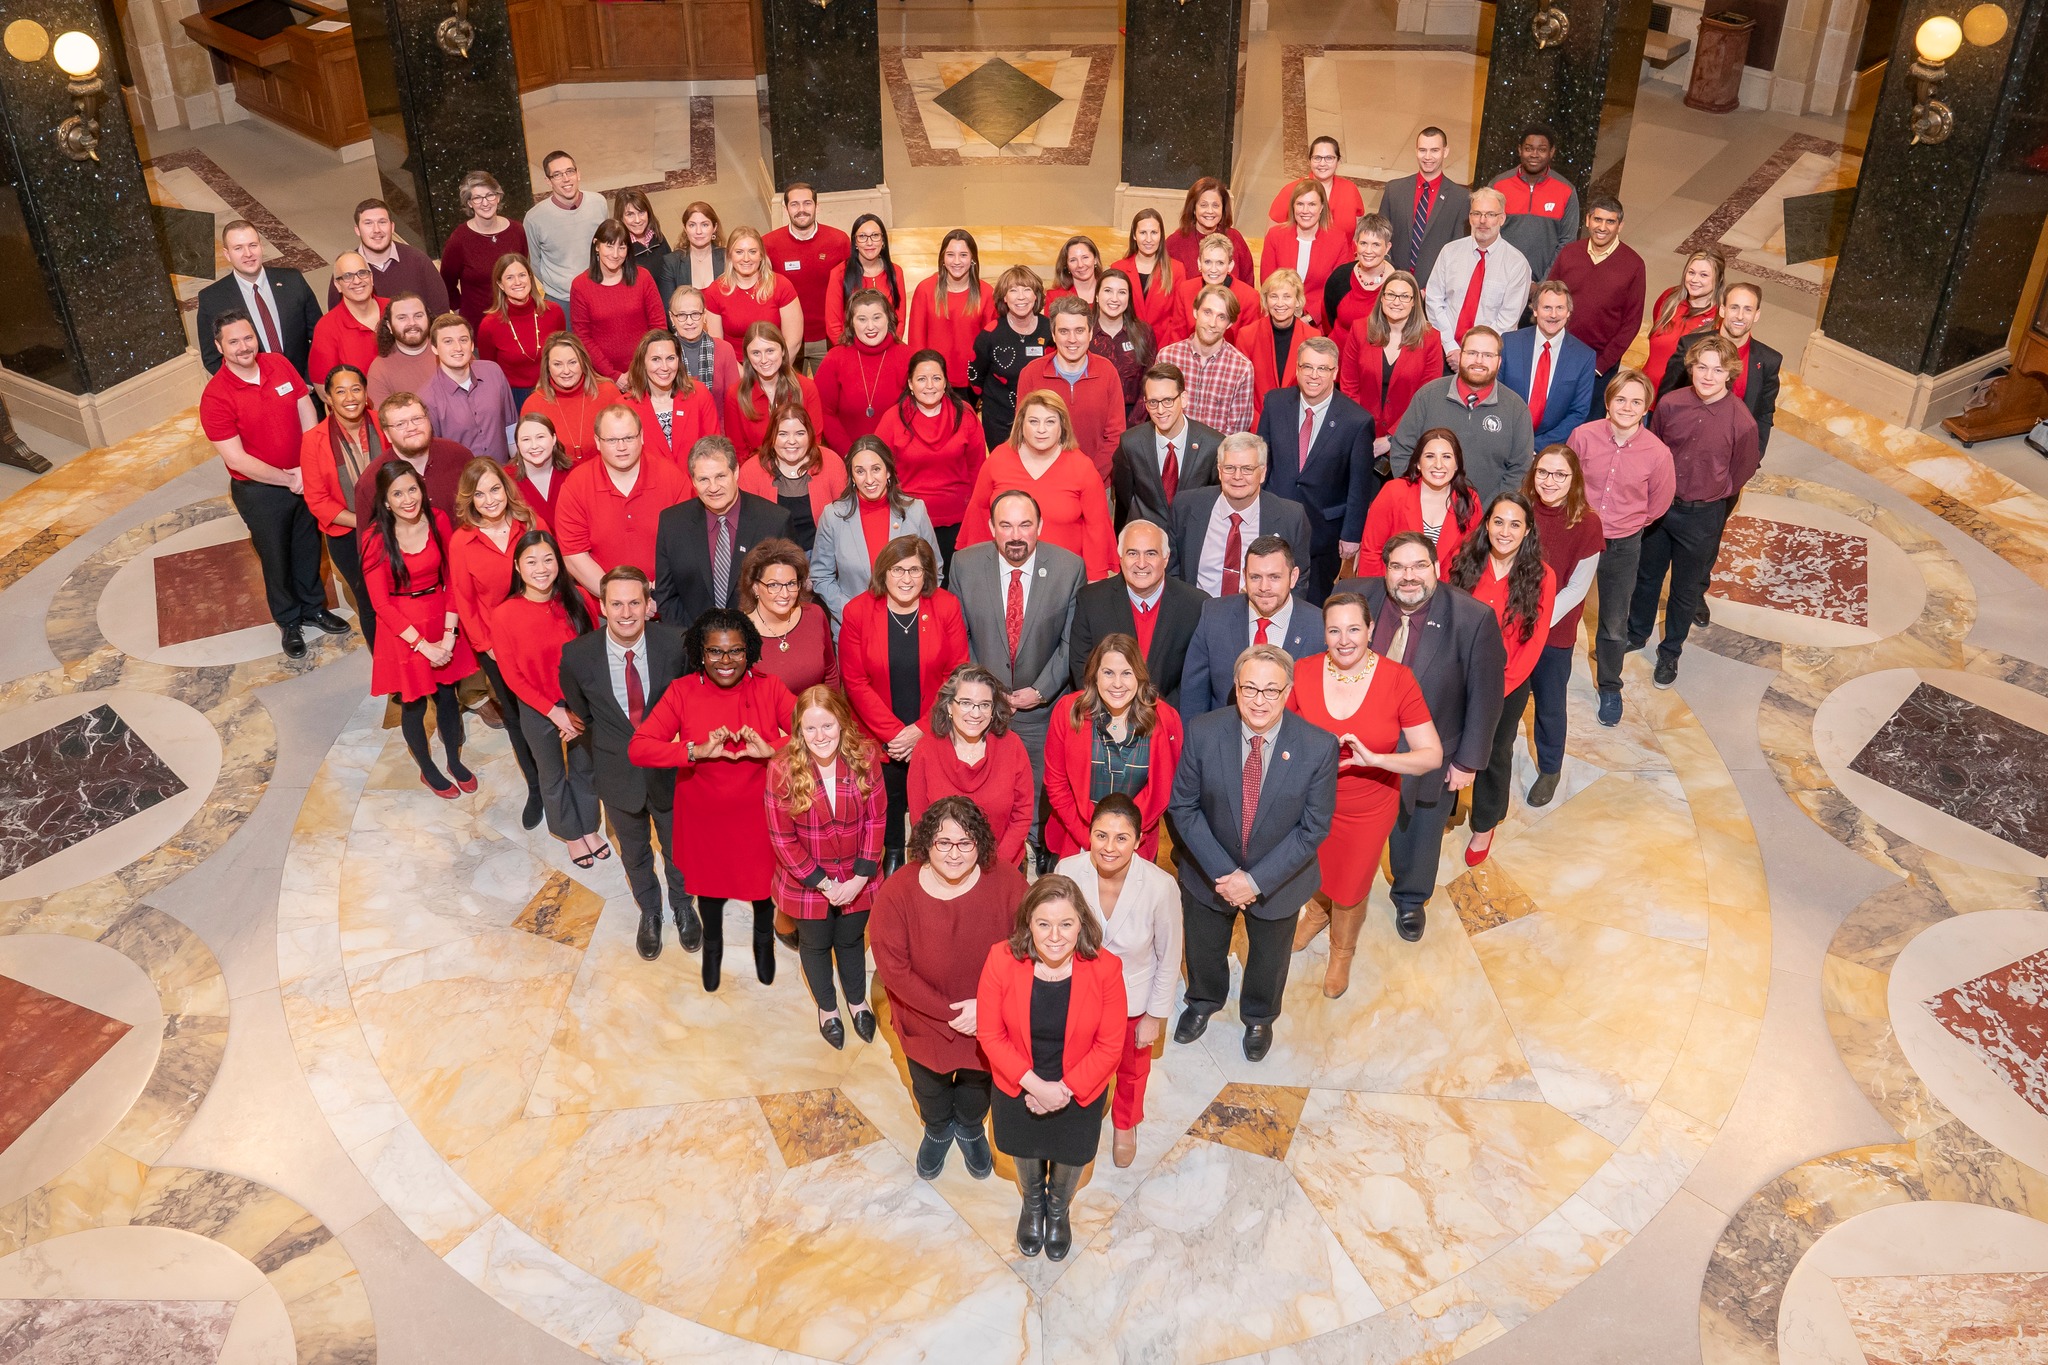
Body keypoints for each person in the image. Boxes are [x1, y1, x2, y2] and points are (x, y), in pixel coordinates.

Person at [1331, 532, 1505, 941]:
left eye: (1418, 566)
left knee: (1419, 832)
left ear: (1437, 569)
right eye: (1398, 567)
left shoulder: (1472, 618)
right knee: (1347, 825)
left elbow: (1486, 696)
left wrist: (1467, 762)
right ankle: (1337, 893)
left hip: (1429, 752)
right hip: (1357, 744)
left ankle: (1410, 898)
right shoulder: (1351, 597)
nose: (1408, 577)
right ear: (1385, 570)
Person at [1169, 644, 1337, 1060]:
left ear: (1288, 691)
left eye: (1271, 691)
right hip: (1210, 872)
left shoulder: (1318, 747)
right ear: (1236, 688)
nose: (1259, 701)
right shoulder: (1204, 731)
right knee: (1204, 946)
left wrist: (1255, 881)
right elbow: (1184, 808)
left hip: (1279, 880)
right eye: (1249, 689)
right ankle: (1203, 1001)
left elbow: (1312, 828)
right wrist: (1227, 875)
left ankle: (1259, 1016)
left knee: (1269, 956)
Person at [629, 607, 795, 990]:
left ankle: (769, 936)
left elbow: (814, 734)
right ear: (700, 653)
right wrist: (692, 752)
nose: (725, 661)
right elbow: (640, 748)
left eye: (736, 651)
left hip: (758, 816)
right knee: (709, 891)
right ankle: (709, 943)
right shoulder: (682, 691)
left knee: (762, 890)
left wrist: (772, 748)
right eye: (715, 652)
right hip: (703, 816)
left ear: (749, 651)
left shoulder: (770, 687)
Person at [1285, 592, 1442, 996]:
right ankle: (1318, 911)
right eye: (1334, 630)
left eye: (1354, 628)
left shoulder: (1397, 679)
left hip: (1368, 806)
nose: (1344, 639)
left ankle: (1342, 950)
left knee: (1352, 883)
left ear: (1371, 630)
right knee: (1315, 867)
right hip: (1313, 803)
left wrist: (1376, 760)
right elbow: (1282, 733)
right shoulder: (1302, 672)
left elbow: (1430, 756)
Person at [869, 796, 1026, 1180]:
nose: (954, 854)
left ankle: (970, 1127)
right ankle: (938, 1130)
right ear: (926, 843)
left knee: (978, 1084)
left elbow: (1025, 951)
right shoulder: (897, 893)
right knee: (929, 1086)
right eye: (943, 843)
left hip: (988, 1020)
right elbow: (894, 970)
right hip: (924, 1020)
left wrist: (987, 1010)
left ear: (980, 843)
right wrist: (952, 1013)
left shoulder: (1007, 883)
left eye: (965, 843)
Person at [977, 874, 1127, 1259]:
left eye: (1066, 924)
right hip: (1018, 1085)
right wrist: (1036, 1087)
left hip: (1079, 1090)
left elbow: (1110, 1046)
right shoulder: (1001, 959)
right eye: (1044, 924)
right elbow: (991, 1036)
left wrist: (1062, 1090)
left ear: (1082, 924)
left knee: (1071, 1154)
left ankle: (1058, 1209)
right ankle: (1033, 1203)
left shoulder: (1106, 968)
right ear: (1029, 923)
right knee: (1024, 1149)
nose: (1055, 935)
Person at [560, 566, 698, 958]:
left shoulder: (675, 644)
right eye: (616, 603)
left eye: (634, 602)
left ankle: (684, 905)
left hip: (670, 773)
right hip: (617, 774)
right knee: (635, 850)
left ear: (648, 604)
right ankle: (650, 910)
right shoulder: (578, 656)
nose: (625, 612)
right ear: (601, 606)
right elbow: (583, 715)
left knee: (678, 847)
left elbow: (690, 701)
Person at [952, 489, 1087, 857]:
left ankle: (1039, 853)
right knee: (983, 791)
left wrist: (1040, 691)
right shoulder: (964, 564)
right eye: (1006, 525)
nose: (1016, 535)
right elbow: (958, 636)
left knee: (1041, 789)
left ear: (1040, 526)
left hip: (1041, 708)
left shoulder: (1069, 568)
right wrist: (985, 692)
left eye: (1025, 525)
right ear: (991, 527)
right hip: (980, 708)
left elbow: (1070, 642)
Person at [199, 310, 342, 659]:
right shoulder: (216, 397)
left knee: (309, 546)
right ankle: (289, 620)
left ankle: (313, 607)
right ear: (219, 347)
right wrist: (289, 478)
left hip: (302, 475)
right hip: (261, 491)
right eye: (233, 341)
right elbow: (236, 459)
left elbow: (306, 409)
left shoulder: (279, 364)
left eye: (248, 338)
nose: (243, 346)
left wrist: (308, 465)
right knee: (276, 557)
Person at [1629, 337, 1760, 689]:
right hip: (1662, 509)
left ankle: (1670, 652)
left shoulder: (1742, 422)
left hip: (1702, 516)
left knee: (1685, 590)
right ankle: (1637, 632)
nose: (1708, 375)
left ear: (1730, 374)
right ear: (1691, 367)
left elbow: (1741, 471)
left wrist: (1710, 493)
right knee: (1647, 576)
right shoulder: (1670, 404)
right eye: (1702, 366)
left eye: (1717, 369)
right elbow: (1653, 450)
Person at [1055, 796, 1180, 1167]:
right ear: (1089, 835)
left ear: (1139, 840)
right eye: (1101, 835)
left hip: (1133, 998)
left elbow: (1169, 955)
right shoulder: (1068, 869)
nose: (1109, 847)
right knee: (1077, 1061)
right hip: (1079, 993)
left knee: (1132, 1067)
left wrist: (1154, 1016)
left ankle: (1126, 1123)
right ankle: (1080, 1115)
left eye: (1121, 838)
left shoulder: (1160, 886)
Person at [840, 536, 971, 867]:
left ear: (927, 574)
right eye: (898, 569)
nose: (907, 578)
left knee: (933, 802)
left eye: (915, 569)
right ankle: (893, 856)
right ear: (883, 571)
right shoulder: (857, 611)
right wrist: (895, 734)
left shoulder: (946, 606)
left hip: (934, 729)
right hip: (878, 735)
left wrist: (921, 730)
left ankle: (930, 860)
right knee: (888, 802)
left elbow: (956, 676)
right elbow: (855, 681)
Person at [767, 686, 886, 1048]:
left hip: (857, 877)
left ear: (842, 723)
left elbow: (876, 819)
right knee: (816, 946)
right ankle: (828, 1008)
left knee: (850, 940)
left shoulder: (865, 756)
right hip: (808, 882)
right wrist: (824, 884)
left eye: (828, 726)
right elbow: (782, 839)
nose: (820, 737)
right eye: (810, 729)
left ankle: (856, 1000)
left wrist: (859, 878)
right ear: (798, 730)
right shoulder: (782, 768)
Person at [1449, 494, 1556, 867]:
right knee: (1449, 742)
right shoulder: (1464, 560)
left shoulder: (1541, 576)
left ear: (1527, 530)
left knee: (1495, 752)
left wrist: (1498, 690)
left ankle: (1484, 824)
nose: (1504, 531)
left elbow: (1535, 641)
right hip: (1457, 675)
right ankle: (1446, 810)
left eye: (1515, 524)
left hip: (1506, 684)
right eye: (1498, 521)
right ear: (1487, 524)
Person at [1567, 369, 1674, 728]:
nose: (1627, 407)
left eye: (1636, 401)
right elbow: (1564, 480)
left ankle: (1610, 686)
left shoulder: (1657, 453)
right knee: (1560, 607)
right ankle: (1542, 672)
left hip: (1622, 544)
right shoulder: (1583, 436)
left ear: (1647, 408)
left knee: (1614, 621)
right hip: (1578, 535)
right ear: (1607, 402)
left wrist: (1628, 524)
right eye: (1621, 399)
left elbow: (1658, 504)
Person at [362, 462, 478, 795]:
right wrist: (423, 646)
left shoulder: (439, 520)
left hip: (440, 614)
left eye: (412, 489)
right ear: (386, 501)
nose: (408, 499)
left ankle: (454, 761)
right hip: (402, 627)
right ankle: (427, 769)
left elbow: (454, 577)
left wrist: (449, 634)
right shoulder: (375, 538)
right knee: (413, 704)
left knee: (448, 696)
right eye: (397, 493)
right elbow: (380, 605)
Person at [493, 530, 606, 864]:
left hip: (579, 703)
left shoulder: (580, 600)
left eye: (548, 559)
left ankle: (588, 825)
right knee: (552, 773)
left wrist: (578, 708)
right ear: (517, 566)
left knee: (585, 769)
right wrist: (553, 712)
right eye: (531, 561)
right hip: (537, 707)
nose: (541, 568)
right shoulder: (504, 614)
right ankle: (569, 833)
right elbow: (512, 675)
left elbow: (595, 653)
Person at [448, 457, 547, 820]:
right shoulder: (462, 542)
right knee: (520, 719)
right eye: (479, 494)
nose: (489, 499)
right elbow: (464, 598)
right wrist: (486, 647)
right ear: (469, 499)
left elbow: (554, 571)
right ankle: (537, 788)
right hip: (499, 648)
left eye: (494, 489)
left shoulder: (530, 522)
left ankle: (565, 781)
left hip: (544, 638)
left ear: (506, 490)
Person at [1257, 336, 1378, 603]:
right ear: (1297, 369)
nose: (1314, 375)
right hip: (1272, 522)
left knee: (1310, 607)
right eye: (1307, 367)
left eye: (1322, 369)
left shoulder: (1356, 421)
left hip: (1323, 535)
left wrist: (1351, 535)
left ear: (1335, 372)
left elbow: (1359, 486)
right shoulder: (1275, 403)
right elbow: (1261, 463)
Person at [1045, 634, 1185, 861]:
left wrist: (1122, 840)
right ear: (1095, 676)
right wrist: (1092, 839)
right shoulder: (1069, 711)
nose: (1117, 684)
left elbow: (1162, 791)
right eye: (1108, 673)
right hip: (1078, 838)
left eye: (1126, 673)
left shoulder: (1165, 719)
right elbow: (1056, 785)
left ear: (1139, 677)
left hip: (1135, 843)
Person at [1519, 446, 1603, 805]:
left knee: (1550, 706)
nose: (1549, 482)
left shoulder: (1587, 523)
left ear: (1574, 480)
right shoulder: (1518, 511)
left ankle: (1550, 767)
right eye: (1542, 472)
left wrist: (1537, 620)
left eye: (1559, 475)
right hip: (1512, 627)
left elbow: (1577, 588)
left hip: (1554, 630)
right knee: (1504, 700)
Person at [958, 391, 1116, 580]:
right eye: (1033, 421)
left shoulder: (1082, 467)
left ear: (1062, 426)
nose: (1041, 429)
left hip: (1064, 577)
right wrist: (975, 569)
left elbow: (1096, 528)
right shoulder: (998, 460)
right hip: (1006, 573)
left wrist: (1095, 580)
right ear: (1021, 424)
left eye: (1050, 422)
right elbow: (978, 514)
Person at [555, 405, 694, 607]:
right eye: (611, 440)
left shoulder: (672, 478)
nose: (622, 447)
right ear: (597, 442)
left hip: (667, 603)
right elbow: (574, 556)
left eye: (629, 438)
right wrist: (620, 602)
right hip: (604, 609)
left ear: (642, 437)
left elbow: (687, 545)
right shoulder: (577, 485)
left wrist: (656, 595)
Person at [653, 435, 792, 628]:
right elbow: (666, 595)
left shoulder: (774, 521)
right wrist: (694, 643)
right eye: (703, 479)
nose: (713, 487)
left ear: (735, 472)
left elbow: (784, 593)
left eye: (720, 476)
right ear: (693, 480)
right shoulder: (672, 523)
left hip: (758, 643)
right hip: (692, 644)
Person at [1181, 534, 1325, 716]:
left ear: (1293, 577)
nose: (1264, 587)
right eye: (1255, 577)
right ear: (1244, 576)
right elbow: (1193, 696)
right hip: (1224, 739)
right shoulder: (1214, 615)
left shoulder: (1319, 627)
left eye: (1274, 577)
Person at [908, 666, 1035, 868]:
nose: (976, 713)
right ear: (949, 706)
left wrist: (995, 865)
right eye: (966, 703)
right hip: (944, 867)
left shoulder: (1012, 746)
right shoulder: (926, 749)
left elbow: (1022, 814)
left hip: (1001, 865)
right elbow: (920, 823)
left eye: (984, 705)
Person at [1070, 518, 1206, 707]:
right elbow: (1082, 668)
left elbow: (1194, 678)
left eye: (1151, 554)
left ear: (1166, 559)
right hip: (1105, 716)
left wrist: (1159, 714)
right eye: (1132, 553)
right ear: (1120, 558)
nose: (1141, 564)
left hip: (1168, 718)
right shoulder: (1091, 600)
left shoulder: (1195, 605)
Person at [1388, 326, 1534, 500]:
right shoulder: (1427, 397)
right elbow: (1402, 450)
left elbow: (1520, 470)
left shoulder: (1516, 409)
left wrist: (1488, 513)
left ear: (1499, 362)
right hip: (1424, 511)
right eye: (1472, 353)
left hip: (1486, 519)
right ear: (1460, 355)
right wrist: (1418, 498)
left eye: (1488, 355)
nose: (1479, 361)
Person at [810, 435, 941, 627]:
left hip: (909, 622)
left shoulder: (915, 511)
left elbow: (934, 568)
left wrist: (910, 609)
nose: (869, 479)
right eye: (860, 471)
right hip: (856, 626)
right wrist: (851, 612)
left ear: (888, 471)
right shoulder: (833, 516)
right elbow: (821, 575)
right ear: (852, 476)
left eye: (876, 469)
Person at [875, 351, 986, 572]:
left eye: (936, 378)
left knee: (953, 585)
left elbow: (978, 470)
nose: (930, 385)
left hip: (958, 521)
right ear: (910, 383)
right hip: (908, 520)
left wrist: (976, 519)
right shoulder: (893, 418)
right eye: (921, 379)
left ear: (945, 382)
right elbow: (879, 470)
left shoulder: (965, 415)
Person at [299, 364, 382, 644]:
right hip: (348, 538)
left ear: (366, 392)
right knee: (371, 603)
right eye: (341, 391)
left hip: (399, 527)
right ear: (329, 398)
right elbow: (317, 500)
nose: (350, 397)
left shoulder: (386, 424)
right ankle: (392, 679)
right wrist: (365, 520)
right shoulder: (313, 441)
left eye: (356, 389)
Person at [1655, 281, 1781, 458]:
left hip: (1728, 457)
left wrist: (1754, 457)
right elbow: (1666, 398)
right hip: (1680, 449)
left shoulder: (1768, 361)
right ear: (1722, 309)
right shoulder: (1691, 345)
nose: (1740, 316)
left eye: (1748, 309)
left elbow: (1764, 414)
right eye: (1734, 307)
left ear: (1756, 315)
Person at [1545, 194, 1645, 413]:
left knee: (1588, 422)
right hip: (1559, 354)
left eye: (1610, 221)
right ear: (1588, 220)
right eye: (1597, 220)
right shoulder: (1570, 253)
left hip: (1599, 365)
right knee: (1549, 413)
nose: (1602, 227)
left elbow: (1632, 321)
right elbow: (1548, 298)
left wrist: (1602, 365)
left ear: (1620, 226)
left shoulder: (1634, 265)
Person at [1339, 269, 1444, 461]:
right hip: (1360, 436)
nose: (1397, 302)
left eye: (1405, 296)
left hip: (1408, 442)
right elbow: (1349, 387)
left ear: (1414, 302)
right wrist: (1363, 431)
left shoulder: (1431, 339)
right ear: (1382, 298)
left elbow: (1426, 399)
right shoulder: (1360, 330)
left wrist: (1391, 439)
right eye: (1391, 295)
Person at [1019, 296, 1126, 482]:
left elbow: (1116, 435)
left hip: (1097, 481)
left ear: (1090, 333)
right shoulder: (1031, 373)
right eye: (1064, 331)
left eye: (1079, 330)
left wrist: (1089, 477)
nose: (1072, 339)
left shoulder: (1107, 371)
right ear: (1053, 334)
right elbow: (1024, 432)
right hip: (1045, 481)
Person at [197, 220, 321, 378]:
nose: (248, 254)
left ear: (261, 246)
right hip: (257, 396)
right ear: (227, 254)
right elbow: (212, 359)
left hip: (305, 388)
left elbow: (320, 335)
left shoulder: (293, 280)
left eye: (252, 245)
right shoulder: (212, 299)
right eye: (238, 248)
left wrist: (310, 382)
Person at [1359, 427, 1483, 575]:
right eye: (1430, 456)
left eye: (1447, 457)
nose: (1438, 464)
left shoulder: (1470, 501)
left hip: (1446, 592)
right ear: (1418, 463)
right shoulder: (1394, 491)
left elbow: (1471, 560)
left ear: (1456, 465)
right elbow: (1371, 551)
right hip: (1394, 589)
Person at [1424, 189, 1532, 357]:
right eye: (1477, 213)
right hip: (1443, 350)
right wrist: (1450, 346)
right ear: (1470, 217)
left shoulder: (1517, 265)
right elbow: (1434, 300)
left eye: (1490, 214)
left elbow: (1507, 320)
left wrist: (1474, 353)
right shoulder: (1449, 252)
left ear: (1501, 218)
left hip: (1486, 358)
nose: (1482, 221)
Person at [1113, 362, 1219, 531]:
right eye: (1153, 402)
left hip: (1191, 539)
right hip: (1147, 542)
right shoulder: (1131, 444)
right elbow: (1125, 499)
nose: (1160, 410)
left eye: (1168, 400)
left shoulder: (1213, 444)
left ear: (1183, 399)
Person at [1499, 280, 1597, 450]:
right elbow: (1495, 393)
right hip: (1504, 440)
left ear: (1568, 312)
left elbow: (1578, 412)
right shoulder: (1509, 343)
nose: (1553, 315)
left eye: (1560, 308)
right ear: (1535, 310)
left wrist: (1537, 446)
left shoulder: (1584, 357)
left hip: (1549, 450)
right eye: (1547, 308)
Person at [738, 404, 847, 556]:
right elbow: (746, 529)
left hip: (823, 558)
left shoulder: (832, 463)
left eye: (800, 433)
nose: (791, 441)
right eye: (782, 434)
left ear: (810, 435)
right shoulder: (751, 471)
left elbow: (845, 523)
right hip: (771, 559)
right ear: (772, 436)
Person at [762, 185, 851, 367]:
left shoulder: (839, 241)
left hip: (829, 339)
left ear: (817, 207)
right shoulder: (769, 245)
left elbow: (851, 289)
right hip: (785, 339)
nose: (801, 210)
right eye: (794, 204)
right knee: (789, 395)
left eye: (807, 203)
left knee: (829, 395)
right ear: (785, 209)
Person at [814, 289, 911, 453]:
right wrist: (850, 454)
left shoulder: (908, 357)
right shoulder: (835, 359)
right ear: (851, 323)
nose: (870, 326)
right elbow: (824, 411)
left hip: (898, 456)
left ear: (889, 319)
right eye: (862, 319)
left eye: (877, 318)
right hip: (847, 456)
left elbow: (914, 413)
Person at [970, 265, 1055, 450]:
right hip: (1000, 421)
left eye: (1027, 289)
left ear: (1036, 295)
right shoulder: (990, 334)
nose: (1021, 296)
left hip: (1044, 420)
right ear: (1004, 298)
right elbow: (975, 376)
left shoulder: (1051, 330)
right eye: (1013, 290)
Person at [353, 391, 469, 526]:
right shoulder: (370, 483)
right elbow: (369, 543)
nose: (412, 428)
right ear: (387, 434)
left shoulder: (460, 456)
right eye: (400, 424)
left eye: (417, 419)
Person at [739, 537, 837, 694]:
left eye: (791, 584)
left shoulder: (814, 615)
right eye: (774, 585)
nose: (784, 594)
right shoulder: (739, 633)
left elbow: (830, 673)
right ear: (755, 587)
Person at [571, 220, 666, 382]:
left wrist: (639, 368)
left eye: (622, 247)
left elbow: (658, 326)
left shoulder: (643, 278)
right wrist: (614, 376)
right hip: (602, 378)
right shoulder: (580, 286)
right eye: (609, 246)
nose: (615, 254)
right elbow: (582, 337)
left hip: (646, 371)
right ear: (596, 245)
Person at [1378, 126, 1472, 288]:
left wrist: (1433, 289)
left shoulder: (1461, 198)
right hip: (1393, 286)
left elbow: (1458, 250)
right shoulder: (1394, 190)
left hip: (1434, 293)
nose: (1428, 157)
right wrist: (1390, 278)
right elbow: (1381, 237)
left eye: (1434, 150)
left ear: (1445, 151)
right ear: (1416, 151)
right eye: (1423, 150)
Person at [1157, 285, 1255, 436]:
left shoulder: (1241, 368)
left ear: (1229, 324)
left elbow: (1236, 434)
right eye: (1207, 312)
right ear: (1195, 312)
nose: (1212, 323)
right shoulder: (1167, 357)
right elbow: (1158, 412)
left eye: (1221, 317)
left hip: (1216, 457)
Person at [421, 313, 518, 464]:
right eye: (448, 342)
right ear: (434, 348)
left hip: (502, 474)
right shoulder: (427, 398)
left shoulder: (493, 372)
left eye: (463, 340)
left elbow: (511, 426)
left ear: (472, 345)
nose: (458, 348)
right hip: (461, 483)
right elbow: (435, 455)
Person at [907, 229, 994, 397]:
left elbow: (989, 346)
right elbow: (916, 342)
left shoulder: (986, 293)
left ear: (972, 259)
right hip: (933, 383)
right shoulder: (925, 289)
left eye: (963, 255)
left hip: (971, 384)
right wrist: (922, 379)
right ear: (942, 259)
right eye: (950, 255)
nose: (956, 261)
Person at [1488, 124, 1581, 281]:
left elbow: (1567, 243)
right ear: (1519, 150)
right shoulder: (1498, 186)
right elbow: (1484, 231)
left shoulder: (1566, 191)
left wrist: (1543, 284)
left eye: (1542, 149)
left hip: (1540, 287)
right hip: (1497, 280)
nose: (1534, 154)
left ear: (1552, 152)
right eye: (1529, 148)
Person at [619, 329, 719, 471]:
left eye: (670, 358)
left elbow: (714, 449)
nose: (665, 367)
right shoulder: (624, 407)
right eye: (656, 359)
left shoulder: (699, 394)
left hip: (696, 487)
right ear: (642, 362)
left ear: (679, 360)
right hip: (651, 489)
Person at [439, 171, 527, 331]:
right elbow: (446, 282)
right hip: (478, 323)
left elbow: (525, 272)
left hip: (517, 319)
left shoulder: (517, 231)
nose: (485, 203)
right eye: (477, 198)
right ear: (469, 203)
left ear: (498, 197)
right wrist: (459, 312)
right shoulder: (459, 239)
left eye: (490, 195)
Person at [328, 198, 448, 316]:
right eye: (368, 223)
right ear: (357, 230)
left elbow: (440, 314)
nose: (377, 230)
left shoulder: (419, 261)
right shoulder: (345, 271)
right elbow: (336, 319)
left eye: (382, 222)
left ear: (392, 227)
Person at [523, 151, 611, 307]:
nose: (566, 179)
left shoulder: (598, 203)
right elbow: (534, 261)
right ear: (548, 181)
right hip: (561, 300)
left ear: (578, 174)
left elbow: (607, 245)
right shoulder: (534, 218)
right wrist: (557, 285)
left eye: (570, 171)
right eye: (557, 175)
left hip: (600, 291)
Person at [476, 254, 565, 407]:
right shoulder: (489, 325)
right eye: (509, 277)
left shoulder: (554, 312)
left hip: (553, 389)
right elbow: (489, 374)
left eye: (522, 275)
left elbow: (563, 356)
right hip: (514, 398)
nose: (517, 282)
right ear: (500, 284)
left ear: (530, 278)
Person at [1236, 268, 1321, 427]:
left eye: (1287, 297)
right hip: (1256, 425)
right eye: (1273, 296)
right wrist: (1260, 427)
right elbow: (1240, 391)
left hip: (1298, 425)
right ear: (1265, 300)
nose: (1280, 303)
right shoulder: (1247, 335)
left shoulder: (1312, 337)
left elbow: (1316, 389)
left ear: (1297, 301)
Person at [1257, 179, 1348, 326]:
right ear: (1293, 207)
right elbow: (1268, 284)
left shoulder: (1338, 240)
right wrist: (1285, 316)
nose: (1305, 211)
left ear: (1322, 207)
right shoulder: (1275, 236)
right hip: (1278, 318)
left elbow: (1337, 289)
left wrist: (1309, 318)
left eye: (1312, 204)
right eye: (1300, 204)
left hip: (1318, 324)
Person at [724, 322, 824, 456]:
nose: (764, 360)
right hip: (756, 471)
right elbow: (738, 451)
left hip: (801, 470)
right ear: (747, 357)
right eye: (756, 353)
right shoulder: (735, 394)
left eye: (770, 351)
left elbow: (814, 442)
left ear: (783, 351)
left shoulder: (806, 388)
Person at [520, 333, 619, 466]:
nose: (566, 371)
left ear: (583, 363)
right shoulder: (533, 405)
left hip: (607, 477)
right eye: (557, 364)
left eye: (572, 362)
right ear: (547, 368)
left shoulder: (608, 393)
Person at [703, 226, 804, 356]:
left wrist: (776, 371)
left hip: (776, 367)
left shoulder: (781, 285)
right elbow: (717, 346)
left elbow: (793, 342)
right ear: (729, 255)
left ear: (761, 255)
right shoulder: (715, 291)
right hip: (734, 369)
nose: (746, 258)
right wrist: (744, 375)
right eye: (739, 252)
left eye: (752, 251)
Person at [1642, 250, 1724, 402]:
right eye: (1691, 272)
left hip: (1680, 404)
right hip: (1645, 396)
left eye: (1704, 275)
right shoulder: (1669, 299)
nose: (1694, 279)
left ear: (1718, 280)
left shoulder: (1721, 319)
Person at [1162, 236, 1261, 350]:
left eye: (1220, 263)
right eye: (1208, 262)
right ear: (1199, 263)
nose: (1213, 269)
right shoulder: (1185, 290)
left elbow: (1249, 345)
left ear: (1230, 266)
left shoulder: (1249, 297)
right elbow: (1177, 337)